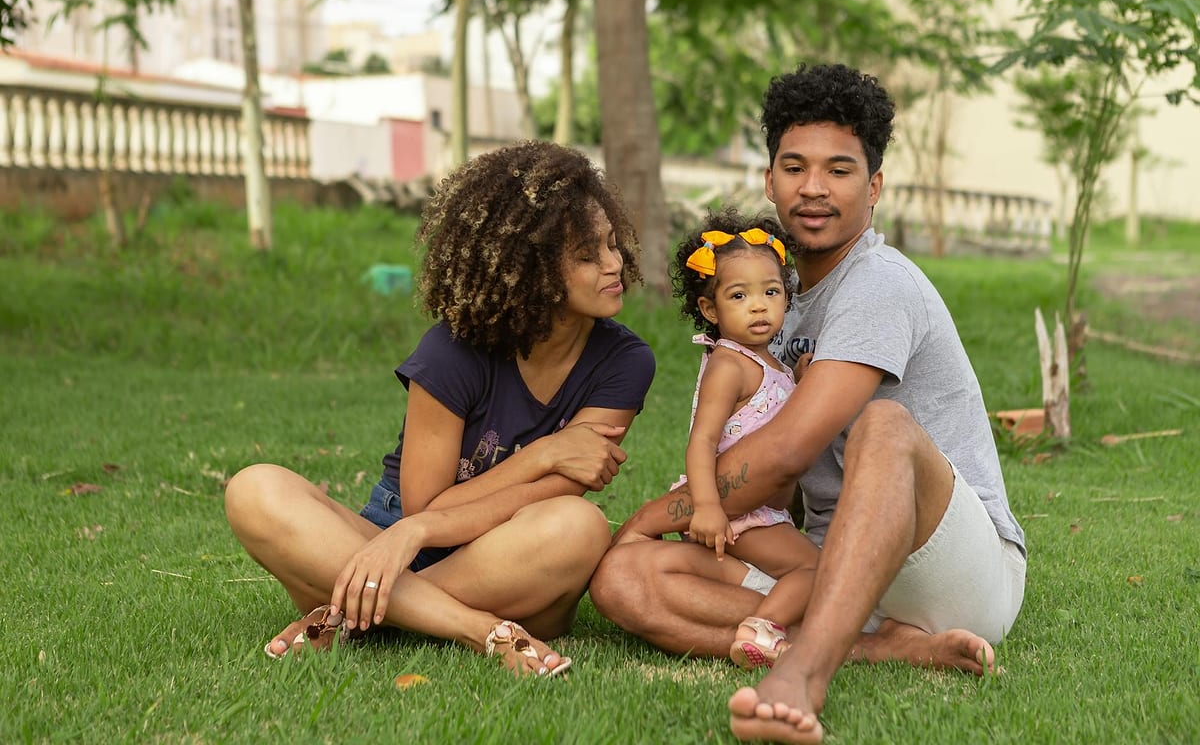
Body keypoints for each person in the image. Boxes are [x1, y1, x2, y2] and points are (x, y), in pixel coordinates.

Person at [589, 63, 1026, 742]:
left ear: (874, 186)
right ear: (770, 180)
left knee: (884, 424)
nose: (814, 188)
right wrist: (648, 542)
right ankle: (875, 646)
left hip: (949, 566)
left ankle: (802, 676)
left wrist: (648, 516)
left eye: (840, 170)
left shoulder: (878, 284)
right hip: (833, 563)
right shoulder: (773, 298)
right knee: (623, 579)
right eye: (794, 167)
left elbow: (787, 449)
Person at [225, 140, 655, 677]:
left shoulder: (624, 361)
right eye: (588, 256)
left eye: (613, 244)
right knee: (254, 488)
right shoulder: (451, 351)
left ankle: (352, 614)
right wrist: (545, 452)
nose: (615, 265)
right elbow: (422, 505)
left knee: (581, 526)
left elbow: (564, 487)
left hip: (505, 555)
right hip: (391, 536)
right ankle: (474, 628)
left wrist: (421, 531)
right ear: (528, 269)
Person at [667, 210, 819, 670]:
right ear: (710, 309)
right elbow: (701, 442)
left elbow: (771, 412)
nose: (758, 306)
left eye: (771, 292)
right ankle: (761, 630)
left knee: (803, 569)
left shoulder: (766, 363)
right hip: (737, 510)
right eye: (739, 295)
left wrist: (798, 379)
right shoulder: (727, 364)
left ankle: (757, 609)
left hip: (760, 509)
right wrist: (709, 508)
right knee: (816, 569)